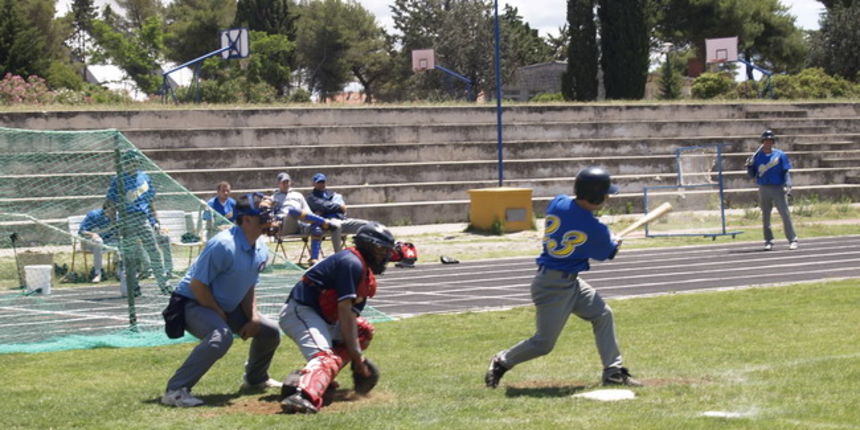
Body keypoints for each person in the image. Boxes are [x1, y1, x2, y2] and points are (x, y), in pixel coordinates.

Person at [485, 167, 641, 389]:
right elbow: (608, 253)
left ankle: (613, 371)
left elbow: (580, 222)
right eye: (604, 194)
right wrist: (614, 241)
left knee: (603, 314)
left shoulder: (558, 203)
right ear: (596, 195)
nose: (607, 198)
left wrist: (607, 237)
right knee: (543, 343)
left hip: (567, 280)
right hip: (554, 286)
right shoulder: (594, 228)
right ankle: (502, 361)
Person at [161, 193, 282, 408]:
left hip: (223, 306)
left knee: (270, 331)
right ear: (246, 220)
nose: (269, 218)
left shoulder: (261, 247)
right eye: (262, 214)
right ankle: (175, 391)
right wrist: (218, 312)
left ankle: (255, 379)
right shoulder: (223, 244)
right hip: (191, 303)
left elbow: (248, 285)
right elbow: (198, 285)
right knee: (221, 336)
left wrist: (253, 317)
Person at [278, 222, 396, 414]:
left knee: (362, 332)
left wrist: (358, 355)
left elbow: (350, 316)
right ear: (369, 247)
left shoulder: (363, 271)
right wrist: (357, 358)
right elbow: (345, 311)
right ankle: (301, 395)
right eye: (382, 250)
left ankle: (318, 379)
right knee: (326, 357)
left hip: (322, 317)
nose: (386, 256)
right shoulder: (351, 263)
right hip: (301, 311)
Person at [106, 150, 173, 294]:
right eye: (130, 162)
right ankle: (133, 286)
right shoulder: (118, 180)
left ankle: (163, 284)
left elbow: (150, 200)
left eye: (135, 162)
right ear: (124, 164)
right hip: (127, 219)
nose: (133, 165)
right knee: (130, 255)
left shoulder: (144, 177)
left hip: (143, 219)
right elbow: (110, 203)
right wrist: (114, 224)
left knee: (154, 251)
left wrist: (155, 220)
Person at [746, 129, 798, 251]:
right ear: (762, 142)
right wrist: (749, 167)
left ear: (773, 142)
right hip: (764, 187)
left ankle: (792, 239)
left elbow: (786, 171)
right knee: (766, 216)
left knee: (785, 214)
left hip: (778, 187)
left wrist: (788, 183)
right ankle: (768, 240)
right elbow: (752, 175)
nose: (768, 143)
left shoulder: (780, 155)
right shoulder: (757, 157)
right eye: (765, 141)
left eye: (770, 141)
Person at [271, 172, 337, 265]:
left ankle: (314, 259)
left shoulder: (298, 195)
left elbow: (307, 211)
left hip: (301, 223)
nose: (286, 184)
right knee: (293, 211)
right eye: (283, 182)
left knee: (316, 228)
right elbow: (271, 215)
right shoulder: (274, 197)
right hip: (286, 225)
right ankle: (324, 222)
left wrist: (313, 220)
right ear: (278, 183)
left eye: (287, 182)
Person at [306, 173, 369, 252]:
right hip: (327, 223)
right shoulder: (311, 197)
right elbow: (324, 206)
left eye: (323, 182)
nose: (321, 184)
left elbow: (328, 207)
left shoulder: (333, 194)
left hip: (342, 219)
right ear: (314, 184)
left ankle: (366, 250)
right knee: (336, 226)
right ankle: (338, 254)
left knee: (366, 225)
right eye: (319, 182)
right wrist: (339, 207)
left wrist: (330, 208)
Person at [78, 201, 118, 283]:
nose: (114, 213)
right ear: (106, 209)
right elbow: (82, 231)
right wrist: (92, 234)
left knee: (122, 241)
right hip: (90, 243)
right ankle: (97, 273)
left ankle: (119, 270)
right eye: (112, 211)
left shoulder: (117, 217)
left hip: (107, 242)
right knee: (98, 242)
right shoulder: (94, 215)